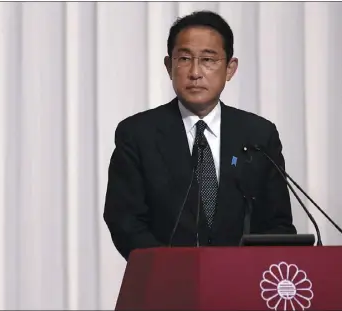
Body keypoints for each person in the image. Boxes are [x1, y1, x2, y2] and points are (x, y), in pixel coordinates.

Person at [103, 10, 296, 260]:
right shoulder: (138, 134)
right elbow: (125, 221)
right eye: (184, 58)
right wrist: (171, 271)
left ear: (230, 68)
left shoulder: (258, 134)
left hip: (241, 288)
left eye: (208, 60)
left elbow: (278, 224)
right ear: (169, 66)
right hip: (166, 287)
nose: (195, 72)